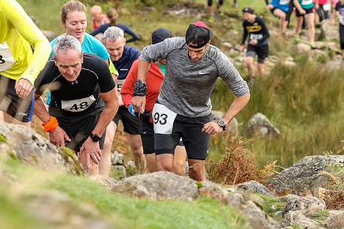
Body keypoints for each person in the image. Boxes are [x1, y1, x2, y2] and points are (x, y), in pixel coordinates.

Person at [131, 23, 250, 182]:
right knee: (164, 166)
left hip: (198, 116)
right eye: (190, 50)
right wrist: (140, 90)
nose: (193, 56)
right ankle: (167, 204)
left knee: (196, 172)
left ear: (208, 45)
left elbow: (243, 93)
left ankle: (199, 204)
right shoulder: (172, 45)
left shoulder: (217, 59)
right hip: (167, 109)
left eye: (199, 51)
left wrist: (222, 123)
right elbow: (146, 54)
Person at [32, 34, 120, 175]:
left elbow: (113, 103)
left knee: (90, 168)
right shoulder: (47, 72)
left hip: (91, 116)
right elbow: (32, 98)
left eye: (75, 65)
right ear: (55, 61)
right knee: (65, 169)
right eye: (64, 67)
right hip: (62, 120)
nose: (71, 72)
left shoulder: (97, 66)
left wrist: (94, 138)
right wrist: (52, 126)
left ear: (82, 58)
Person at [121, 28, 183, 174]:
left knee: (177, 167)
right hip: (150, 123)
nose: (164, 56)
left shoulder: (182, 63)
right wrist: (133, 108)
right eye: (160, 51)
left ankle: (181, 195)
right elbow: (126, 92)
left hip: (178, 122)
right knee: (156, 170)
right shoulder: (140, 65)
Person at [102, 26, 145, 174]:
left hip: (129, 104)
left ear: (125, 42)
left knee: (138, 148)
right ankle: (103, 181)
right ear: (104, 45)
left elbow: (142, 82)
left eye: (118, 48)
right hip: (110, 105)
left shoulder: (135, 56)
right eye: (110, 49)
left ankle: (141, 176)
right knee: (106, 143)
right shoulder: (100, 55)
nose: (114, 53)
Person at [240, 7, 270, 79]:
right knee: (248, 62)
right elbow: (245, 33)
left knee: (260, 69)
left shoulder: (259, 20)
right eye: (244, 15)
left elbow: (267, 35)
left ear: (252, 14)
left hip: (262, 45)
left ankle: (263, 83)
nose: (246, 17)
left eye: (247, 15)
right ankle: (252, 80)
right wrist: (242, 44)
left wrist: (257, 41)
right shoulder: (245, 22)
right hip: (251, 45)